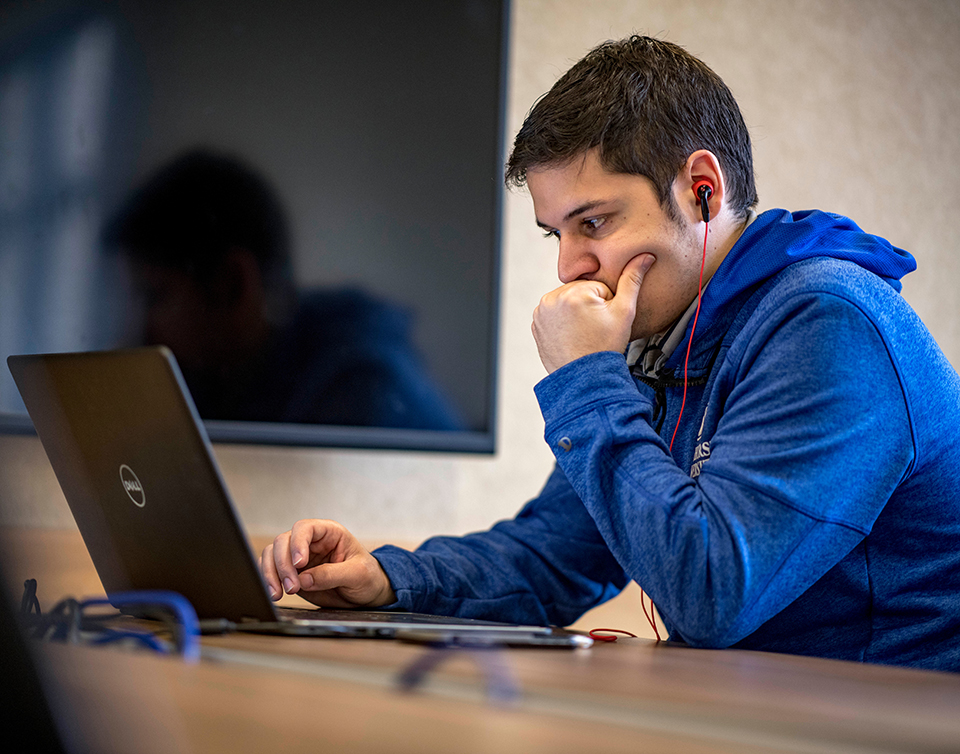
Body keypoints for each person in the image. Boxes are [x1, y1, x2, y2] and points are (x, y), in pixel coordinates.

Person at [259, 36, 960, 671]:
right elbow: (552, 555)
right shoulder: (664, 339)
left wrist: (586, 380)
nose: (569, 267)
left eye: (593, 222)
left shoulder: (829, 324)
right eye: (553, 234)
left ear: (701, 190)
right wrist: (387, 579)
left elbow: (712, 595)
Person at [104, 149, 463, 430]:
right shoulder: (216, 378)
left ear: (232, 284)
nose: (145, 328)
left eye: (155, 296)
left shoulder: (367, 390)